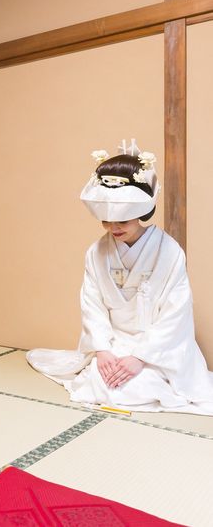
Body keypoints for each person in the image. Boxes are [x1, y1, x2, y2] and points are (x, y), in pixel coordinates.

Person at [27, 140, 213, 414]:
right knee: (101, 381)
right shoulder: (97, 252)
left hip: (157, 347)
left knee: (140, 386)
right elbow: (92, 305)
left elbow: (176, 313)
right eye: (106, 221)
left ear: (141, 213)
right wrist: (102, 351)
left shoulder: (169, 251)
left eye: (122, 221)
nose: (113, 228)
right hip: (114, 342)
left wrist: (140, 357)